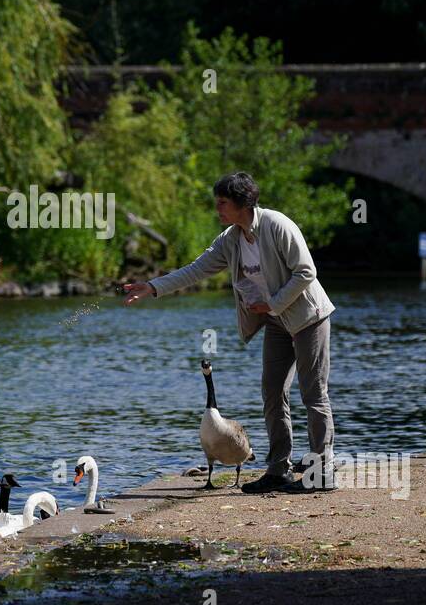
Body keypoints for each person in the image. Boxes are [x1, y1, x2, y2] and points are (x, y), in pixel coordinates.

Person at [122, 171, 337, 493]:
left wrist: (274, 303)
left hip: (309, 318)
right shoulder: (231, 239)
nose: (217, 209)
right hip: (278, 323)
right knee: (272, 394)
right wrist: (152, 287)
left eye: (222, 203)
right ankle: (279, 470)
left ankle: (322, 473)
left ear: (243, 203)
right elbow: (196, 269)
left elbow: (307, 271)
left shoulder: (277, 225)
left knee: (313, 396)